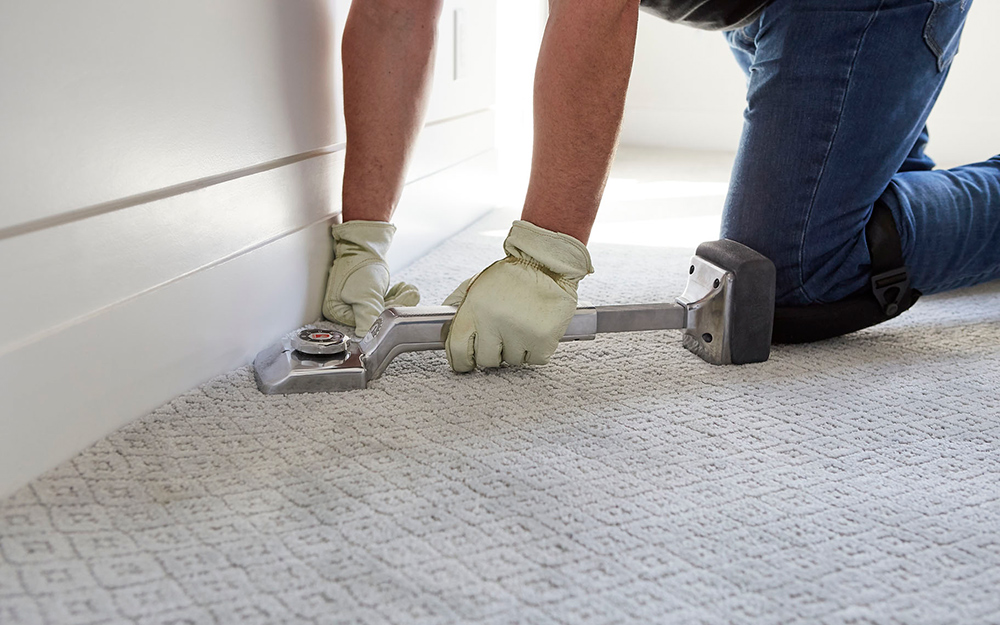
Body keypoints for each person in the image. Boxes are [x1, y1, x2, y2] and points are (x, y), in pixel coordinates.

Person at [322, 0, 1000, 372]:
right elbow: (394, 14)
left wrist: (543, 261)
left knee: (791, 278)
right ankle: (876, 167)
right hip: (762, 11)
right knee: (839, 200)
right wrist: (363, 239)